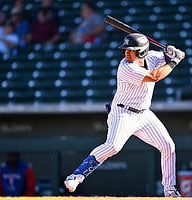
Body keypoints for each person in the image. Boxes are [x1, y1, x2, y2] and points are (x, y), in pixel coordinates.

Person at [64, 33, 185, 197]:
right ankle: (77, 175)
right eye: (125, 49)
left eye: (131, 50)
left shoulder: (152, 58)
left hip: (143, 114)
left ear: (142, 52)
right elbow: (155, 76)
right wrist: (175, 60)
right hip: (123, 113)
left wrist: (171, 51)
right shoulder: (125, 67)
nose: (127, 52)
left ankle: (169, 190)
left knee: (168, 146)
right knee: (113, 146)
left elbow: (167, 56)